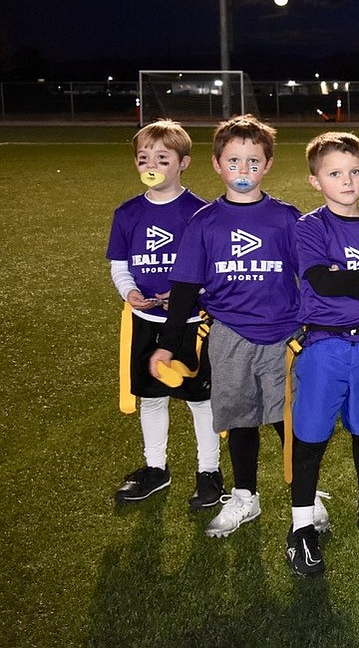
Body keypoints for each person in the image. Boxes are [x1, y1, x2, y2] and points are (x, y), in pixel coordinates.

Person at [149, 115, 326, 538]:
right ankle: (245, 494)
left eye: (253, 162)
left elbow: (312, 277)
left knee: (292, 421)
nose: (243, 171)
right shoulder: (204, 223)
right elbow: (187, 288)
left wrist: (317, 327)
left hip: (284, 337)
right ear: (216, 164)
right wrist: (170, 345)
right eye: (234, 162)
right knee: (242, 420)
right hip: (229, 336)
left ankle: (308, 495)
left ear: (267, 165)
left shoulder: (286, 219)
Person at [285, 131, 359, 577]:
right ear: (316, 180)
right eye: (335, 173)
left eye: (355, 171)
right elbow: (323, 281)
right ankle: (301, 526)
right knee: (311, 437)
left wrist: (354, 274)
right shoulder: (310, 227)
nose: (347, 180)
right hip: (325, 344)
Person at [107, 119, 222, 510]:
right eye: (144, 158)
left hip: (191, 326)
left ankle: (209, 472)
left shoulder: (201, 213)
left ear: (183, 163)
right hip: (147, 323)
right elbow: (120, 265)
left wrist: (189, 295)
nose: (151, 165)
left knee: (199, 400)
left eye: (162, 157)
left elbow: (214, 269)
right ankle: (156, 467)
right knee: (152, 397)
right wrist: (132, 292)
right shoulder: (127, 214)